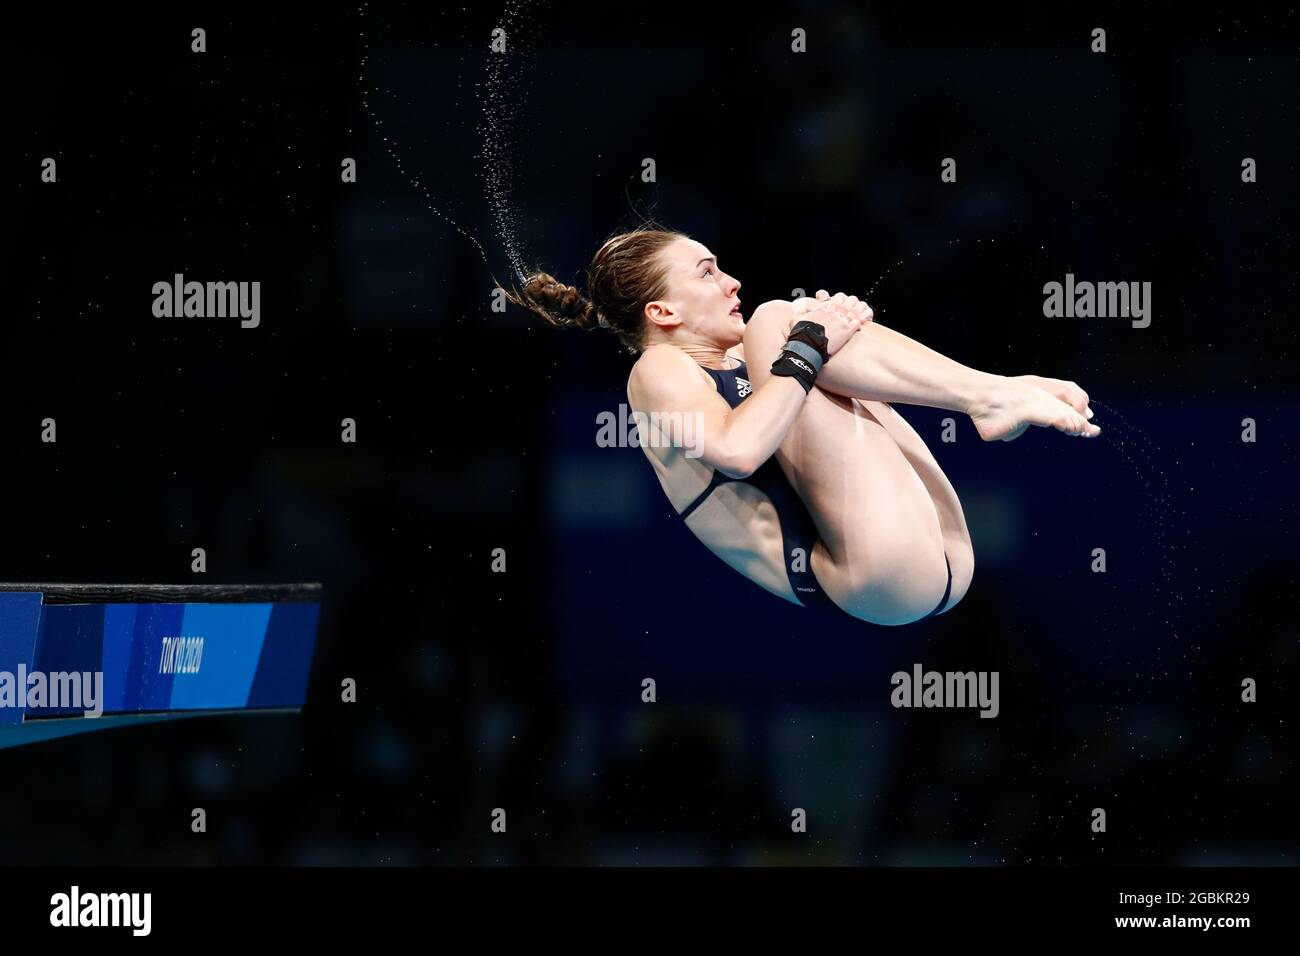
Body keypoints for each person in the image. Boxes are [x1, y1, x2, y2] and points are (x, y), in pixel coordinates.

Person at [504, 226, 1098, 625]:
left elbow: (804, 371)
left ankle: (993, 391)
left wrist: (833, 335)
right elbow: (736, 451)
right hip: (867, 574)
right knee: (779, 320)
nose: (730, 282)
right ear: (662, 313)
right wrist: (810, 344)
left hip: (932, 552)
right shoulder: (657, 371)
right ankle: (989, 397)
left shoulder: (753, 364)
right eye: (707, 274)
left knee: (796, 321)